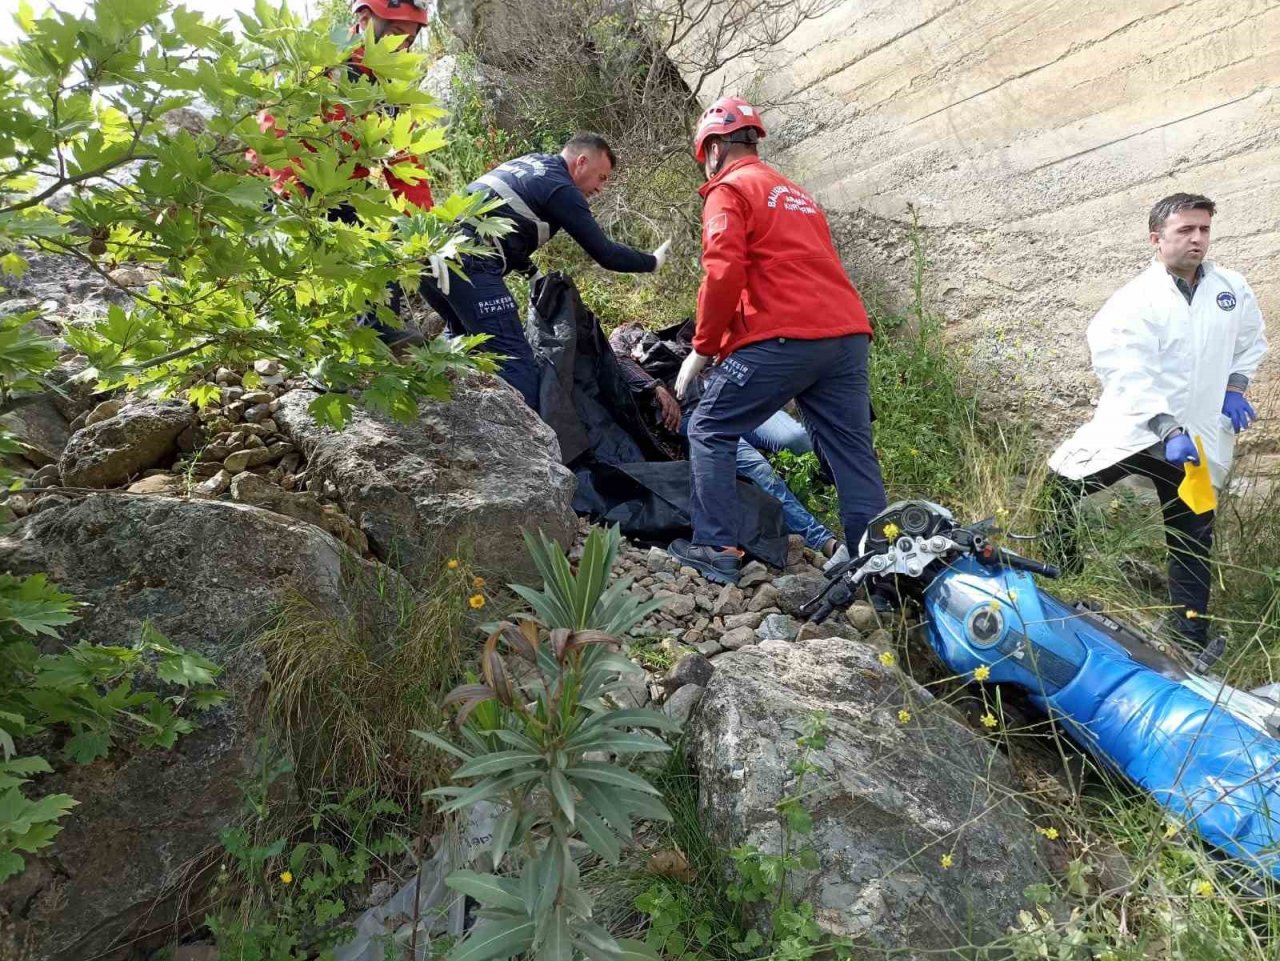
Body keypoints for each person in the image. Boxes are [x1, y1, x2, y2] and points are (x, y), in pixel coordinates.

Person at [666, 96, 887, 585]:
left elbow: (723, 272)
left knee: (708, 427)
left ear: (716, 147)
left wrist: (703, 348)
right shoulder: (797, 195)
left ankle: (716, 547)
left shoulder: (728, 190)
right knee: (853, 453)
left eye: (706, 154)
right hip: (846, 334)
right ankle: (879, 570)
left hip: (786, 335)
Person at [1044, 192, 1267, 670]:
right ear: (1156, 238)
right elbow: (1125, 370)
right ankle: (1062, 577)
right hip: (1139, 430)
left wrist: (1236, 387)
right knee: (1059, 488)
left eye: (1204, 229)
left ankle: (1188, 638)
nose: (1197, 239)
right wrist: (1166, 426)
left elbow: (1250, 342)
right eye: (1186, 230)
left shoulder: (1231, 288)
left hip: (1199, 436)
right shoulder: (1133, 301)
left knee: (1192, 533)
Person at [417, 135, 671, 408]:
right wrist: (651, 262)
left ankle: (433, 409)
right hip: (469, 263)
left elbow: (505, 224)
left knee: (462, 338)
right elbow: (606, 254)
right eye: (602, 177)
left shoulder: (532, 163)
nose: (601, 188)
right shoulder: (561, 188)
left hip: (429, 250)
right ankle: (531, 446)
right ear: (581, 162)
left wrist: (532, 274)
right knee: (515, 360)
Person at [251, 0, 441, 348]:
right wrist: (287, 187)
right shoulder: (324, 59)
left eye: (409, 41)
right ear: (366, 20)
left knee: (380, 236)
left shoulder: (390, 87)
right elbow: (273, 126)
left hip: (342, 184)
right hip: (290, 180)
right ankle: (292, 341)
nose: (401, 47)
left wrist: (421, 227)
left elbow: (405, 158)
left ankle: (377, 330)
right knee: (300, 265)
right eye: (396, 34)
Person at [609, 323, 843, 560]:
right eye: (632, 329)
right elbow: (618, 357)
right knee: (758, 469)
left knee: (798, 438)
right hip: (696, 415)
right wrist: (656, 387)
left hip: (736, 400)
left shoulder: (684, 338)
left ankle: (843, 504)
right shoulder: (626, 342)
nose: (637, 328)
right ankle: (825, 542)